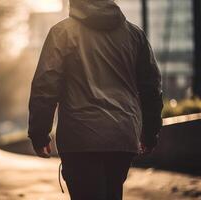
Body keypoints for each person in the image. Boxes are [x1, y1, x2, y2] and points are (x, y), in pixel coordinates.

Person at [28, 0, 163, 199]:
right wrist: (150, 133)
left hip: (80, 138)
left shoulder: (62, 33)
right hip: (122, 137)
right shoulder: (134, 36)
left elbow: (46, 85)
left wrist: (39, 134)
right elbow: (151, 88)